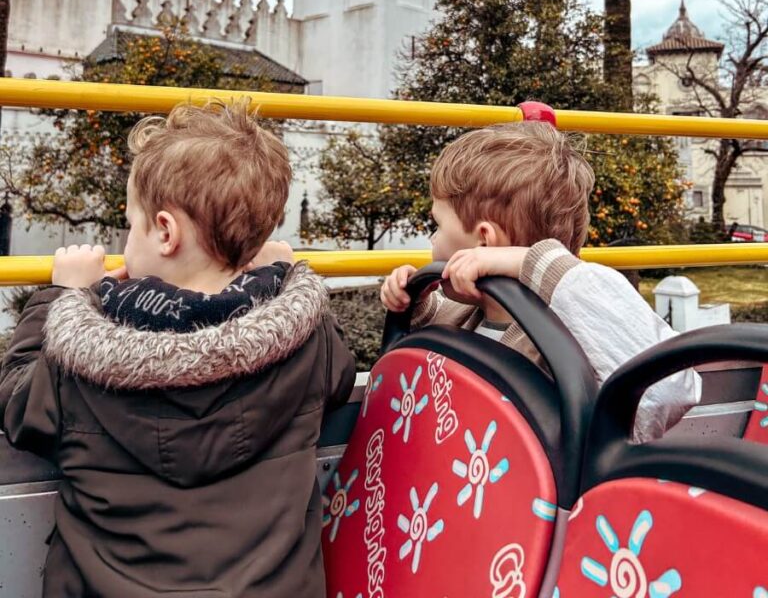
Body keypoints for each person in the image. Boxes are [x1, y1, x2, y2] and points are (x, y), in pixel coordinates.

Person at [0, 101, 355, 598]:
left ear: (165, 232)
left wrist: (61, 298)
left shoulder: (79, 363)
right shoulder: (308, 342)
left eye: (132, 223)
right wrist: (286, 278)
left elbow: (17, 402)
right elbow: (341, 375)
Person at [381, 121, 700, 441]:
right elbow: (437, 353)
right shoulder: (472, 315)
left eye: (436, 225)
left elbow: (669, 387)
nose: (432, 240)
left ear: (483, 242)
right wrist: (417, 306)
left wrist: (532, 261)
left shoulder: (566, 336)